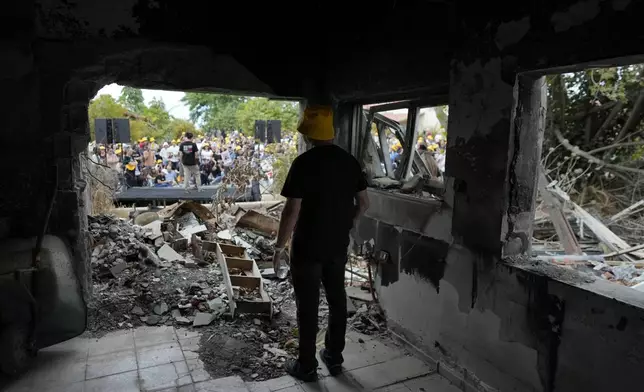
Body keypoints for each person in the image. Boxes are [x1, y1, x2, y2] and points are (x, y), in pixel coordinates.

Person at [272, 105, 369, 381]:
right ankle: (334, 358)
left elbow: (291, 211)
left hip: (307, 248)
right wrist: (346, 223)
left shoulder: (303, 164)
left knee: (308, 306)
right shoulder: (349, 162)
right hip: (336, 246)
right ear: (332, 133)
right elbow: (365, 203)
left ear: (308, 136)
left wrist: (280, 246)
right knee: (338, 300)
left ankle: (307, 366)